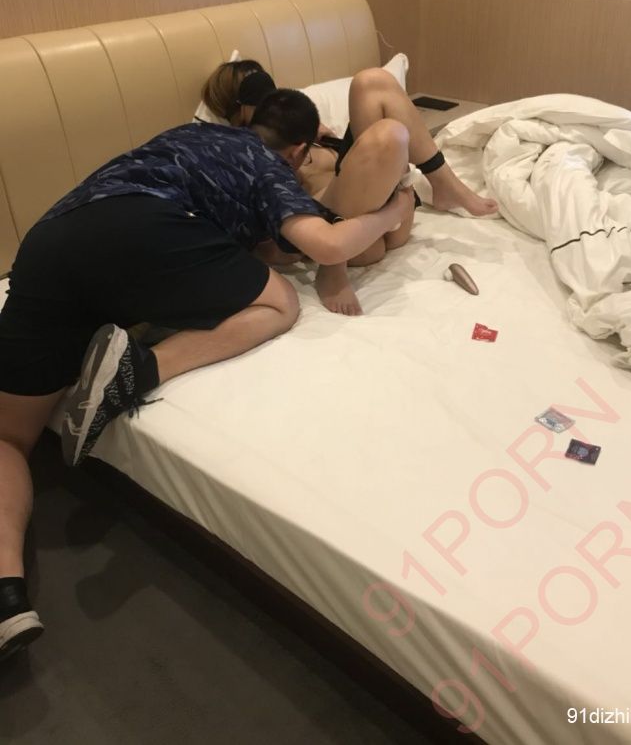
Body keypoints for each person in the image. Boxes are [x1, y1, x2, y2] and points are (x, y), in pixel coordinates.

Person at [0, 89, 413, 660]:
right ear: (298, 151)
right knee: (279, 305)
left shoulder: (187, 135)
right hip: (142, 228)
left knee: (8, 438)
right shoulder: (268, 165)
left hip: (51, 241)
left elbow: (243, 238)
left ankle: (6, 591)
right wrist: (393, 211)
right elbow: (324, 244)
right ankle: (140, 368)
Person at [201, 61, 498, 315]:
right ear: (240, 110)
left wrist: (312, 131)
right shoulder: (247, 159)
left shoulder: (305, 130)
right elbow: (268, 243)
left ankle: (445, 184)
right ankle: (333, 268)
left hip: (395, 210)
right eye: (257, 94)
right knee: (389, 134)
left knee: (373, 81)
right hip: (351, 239)